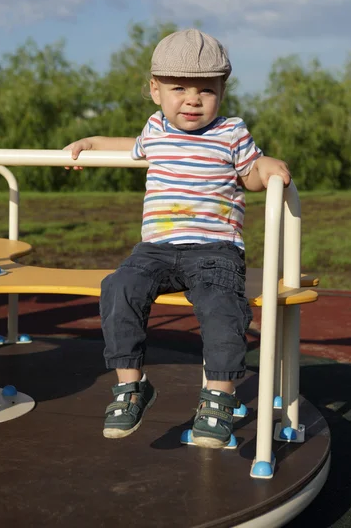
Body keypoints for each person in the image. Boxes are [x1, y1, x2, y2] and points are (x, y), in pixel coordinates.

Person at [65, 29, 291, 448]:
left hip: (215, 249)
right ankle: (131, 387)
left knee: (223, 309)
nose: (192, 99)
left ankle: (218, 399)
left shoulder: (231, 133)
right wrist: (92, 142)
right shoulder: (155, 129)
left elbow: (251, 175)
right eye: (179, 88)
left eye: (206, 90)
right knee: (118, 287)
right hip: (155, 249)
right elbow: (129, 146)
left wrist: (267, 166)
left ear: (222, 91)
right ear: (155, 90)